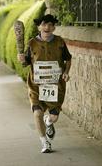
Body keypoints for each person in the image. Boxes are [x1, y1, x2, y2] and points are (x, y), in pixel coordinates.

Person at [17, 14, 72, 153]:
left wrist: (66, 72)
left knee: (53, 117)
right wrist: (22, 58)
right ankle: (44, 142)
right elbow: (25, 63)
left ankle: (49, 123)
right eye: (44, 24)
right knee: (37, 114)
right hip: (36, 86)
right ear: (39, 27)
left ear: (53, 27)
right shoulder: (31, 43)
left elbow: (68, 59)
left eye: (50, 25)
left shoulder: (60, 42)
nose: (47, 27)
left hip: (56, 86)